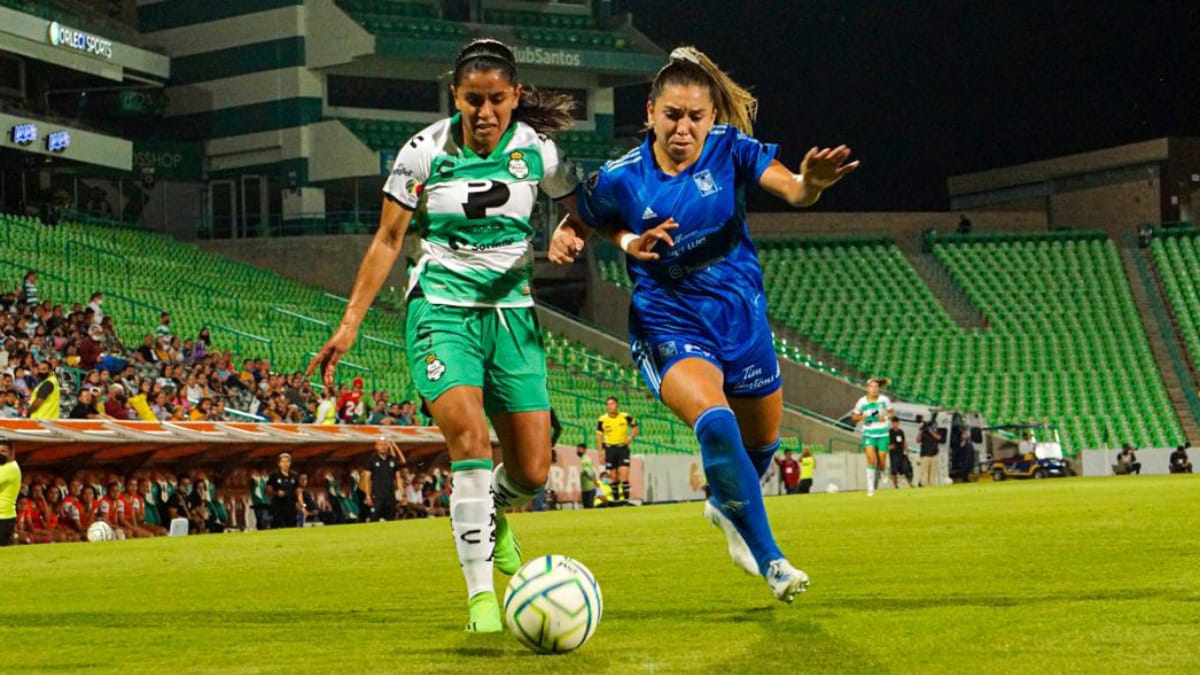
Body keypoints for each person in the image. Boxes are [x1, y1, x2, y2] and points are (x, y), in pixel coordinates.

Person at [551, 46, 855, 602]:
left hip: (740, 314)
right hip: (666, 316)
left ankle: (723, 505)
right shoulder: (623, 176)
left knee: (762, 442)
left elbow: (793, 190)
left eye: (696, 116)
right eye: (672, 115)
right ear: (650, 112)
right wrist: (583, 234)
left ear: (713, 117)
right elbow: (583, 215)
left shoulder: (732, 150)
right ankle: (773, 561)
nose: (683, 128)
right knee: (716, 423)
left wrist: (811, 183)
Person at [307, 38, 581, 632]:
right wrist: (349, 323)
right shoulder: (422, 154)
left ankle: (494, 513)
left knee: (533, 471)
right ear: (455, 96)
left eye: (497, 100)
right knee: (470, 437)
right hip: (441, 313)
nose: (485, 113)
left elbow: (582, 201)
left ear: (515, 98)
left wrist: (567, 229)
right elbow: (387, 241)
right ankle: (481, 597)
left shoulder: (538, 151)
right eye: (473, 100)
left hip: (512, 316)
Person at [852, 378, 894, 496]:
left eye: (876, 387)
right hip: (868, 433)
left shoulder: (884, 400)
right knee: (871, 459)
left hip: (882, 433)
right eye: (871, 387)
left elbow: (892, 412)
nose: (874, 389)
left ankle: (884, 469)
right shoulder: (862, 402)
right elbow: (854, 416)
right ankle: (870, 489)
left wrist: (885, 418)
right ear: (867, 389)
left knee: (881, 458)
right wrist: (862, 418)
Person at [595, 396, 638, 503]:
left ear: (617, 405)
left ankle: (626, 500)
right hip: (609, 449)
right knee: (613, 477)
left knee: (624, 474)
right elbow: (599, 437)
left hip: (622, 448)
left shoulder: (625, 417)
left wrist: (631, 437)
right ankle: (616, 501)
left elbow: (636, 426)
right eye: (608, 404)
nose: (609, 406)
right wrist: (600, 453)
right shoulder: (602, 419)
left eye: (612, 404)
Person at [360, 438, 405, 521]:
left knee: (391, 518)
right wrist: (368, 495)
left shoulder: (392, 459)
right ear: (376, 446)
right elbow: (367, 479)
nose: (383, 447)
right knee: (374, 517)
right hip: (377, 495)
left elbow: (398, 479)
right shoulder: (371, 460)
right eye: (380, 445)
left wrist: (402, 495)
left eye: (385, 444)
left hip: (390, 494)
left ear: (388, 446)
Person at [266, 453, 303, 528]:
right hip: (278, 506)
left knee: (292, 526)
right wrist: (276, 493)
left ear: (290, 463)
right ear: (279, 463)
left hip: (291, 506)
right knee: (277, 526)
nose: (285, 464)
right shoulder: (274, 475)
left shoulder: (294, 475)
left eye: (287, 461)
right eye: (283, 462)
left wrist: (300, 502)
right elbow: (267, 491)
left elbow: (298, 490)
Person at [0, 441, 20, 546]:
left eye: (4, 451)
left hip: (4, 518)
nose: (0, 454)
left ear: (12, 453)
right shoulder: (4, 467)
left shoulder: (10, 468)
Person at [916, 414, 942, 487]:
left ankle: (932, 487)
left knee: (932, 474)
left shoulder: (935, 431)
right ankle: (925, 486)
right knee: (924, 473)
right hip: (925, 454)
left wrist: (929, 430)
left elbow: (938, 437)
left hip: (934, 454)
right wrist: (921, 430)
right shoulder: (923, 431)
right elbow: (918, 440)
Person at [888, 418, 912, 489]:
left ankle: (909, 484)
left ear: (898, 423)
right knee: (894, 470)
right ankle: (896, 486)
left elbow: (904, 441)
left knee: (905, 469)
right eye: (894, 423)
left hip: (901, 453)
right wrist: (889, 447)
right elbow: (886, 442)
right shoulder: (890, 432)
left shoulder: (901, 432)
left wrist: (906, 449)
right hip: (894, 454)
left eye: (896, 423)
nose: (895, 424)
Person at [577, 444, 597, 509]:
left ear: (584, 450)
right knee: (587, 507)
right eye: (577, 449)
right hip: (585, 487)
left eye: (580, 449)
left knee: (589, 507)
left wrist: (594, 481)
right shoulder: (583, 459)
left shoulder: (585, 459)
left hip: (589, 487)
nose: (578, 451)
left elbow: (589, 472)